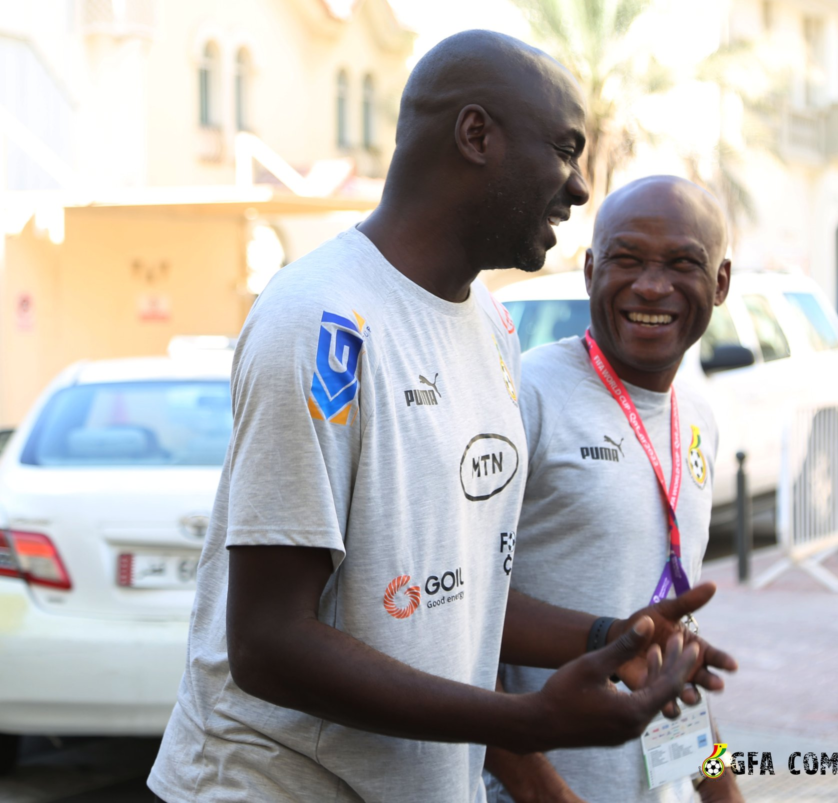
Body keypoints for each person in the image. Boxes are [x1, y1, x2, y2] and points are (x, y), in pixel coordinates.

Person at [147, 34, 736, 803]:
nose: (580, 188)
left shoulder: (492, 328)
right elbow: (266, 644)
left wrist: (609, 638)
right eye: (565, 150)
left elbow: (452, 596)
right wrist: (525, 728)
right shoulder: (322, 318)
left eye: (683, 263)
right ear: (476, 136)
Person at [484, 176, 744, 803]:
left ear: (721, 283)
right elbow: (457, 618)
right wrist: (542, 789)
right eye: (627, 260)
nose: (652, 286)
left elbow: (663, 637)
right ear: (591, 270)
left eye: (684, 263)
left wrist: (721, 789)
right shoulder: (527, 395)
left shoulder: (698, 416)